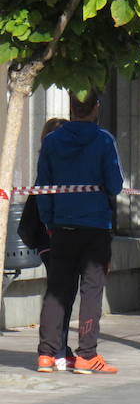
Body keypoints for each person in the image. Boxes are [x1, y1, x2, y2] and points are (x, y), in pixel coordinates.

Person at [36, 91, 123, 374]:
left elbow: (43, 188)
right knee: (92, 290)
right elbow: (115, 184)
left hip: (61, 226)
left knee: (57, 289)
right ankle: (87, 355)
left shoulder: (52, 141)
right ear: (96, 108)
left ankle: (47, 354)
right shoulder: (104, 140)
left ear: (71, 107)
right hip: (96, 226)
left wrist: (50, 221)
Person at [18, 118, 75, 371]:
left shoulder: (47, 163)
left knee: (61, 291)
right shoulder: (62, 166)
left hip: (48, 239)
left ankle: (55, 348)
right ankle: (54, 349)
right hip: (55, 238)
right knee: (61, 293)